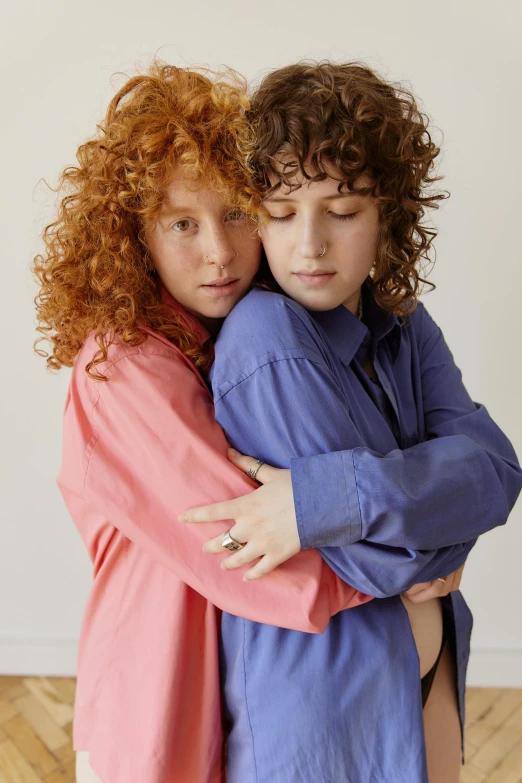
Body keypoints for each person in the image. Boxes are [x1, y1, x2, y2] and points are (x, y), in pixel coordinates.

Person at [32, 63, 385, 783]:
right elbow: (237, 540)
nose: (219, 253)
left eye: (235, 214)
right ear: (135, 236)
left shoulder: (230, 334)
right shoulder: (122, 362)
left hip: (241, 683)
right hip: (155, 702)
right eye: (183, 224)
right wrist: (405, 566)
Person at [181, 62, 522, 782]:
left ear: (387, 215)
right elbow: (380, 562)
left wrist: (317, 500)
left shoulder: (402, 318)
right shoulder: (266, 337)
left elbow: (497, 468)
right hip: (323, 710)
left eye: (342, 212)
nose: (310, 244)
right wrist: (444, 519)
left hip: (419, 681)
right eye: (279, 213)